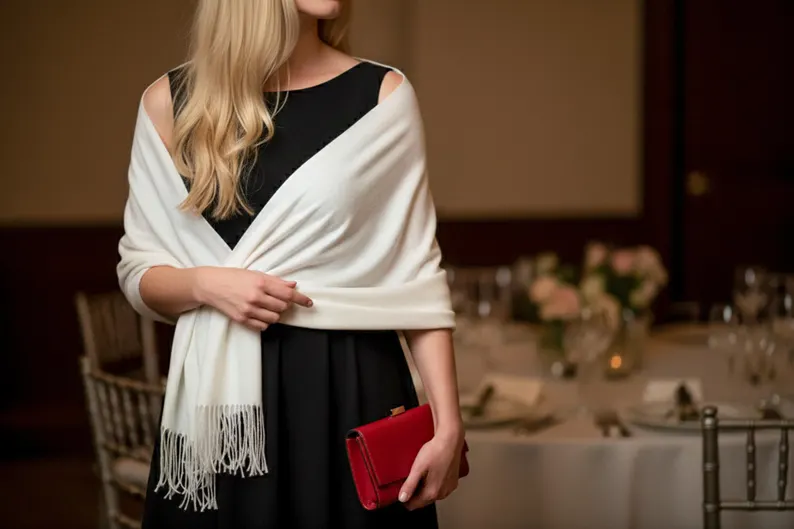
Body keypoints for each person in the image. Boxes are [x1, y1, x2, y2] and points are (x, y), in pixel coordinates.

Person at [119, 1, 465, 528]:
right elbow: (138, 273)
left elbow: (416, 276)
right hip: (222, 416)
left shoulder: (383, 96)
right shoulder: (168, 103)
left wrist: (448, 425)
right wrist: (207, 285)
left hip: (350, 387)